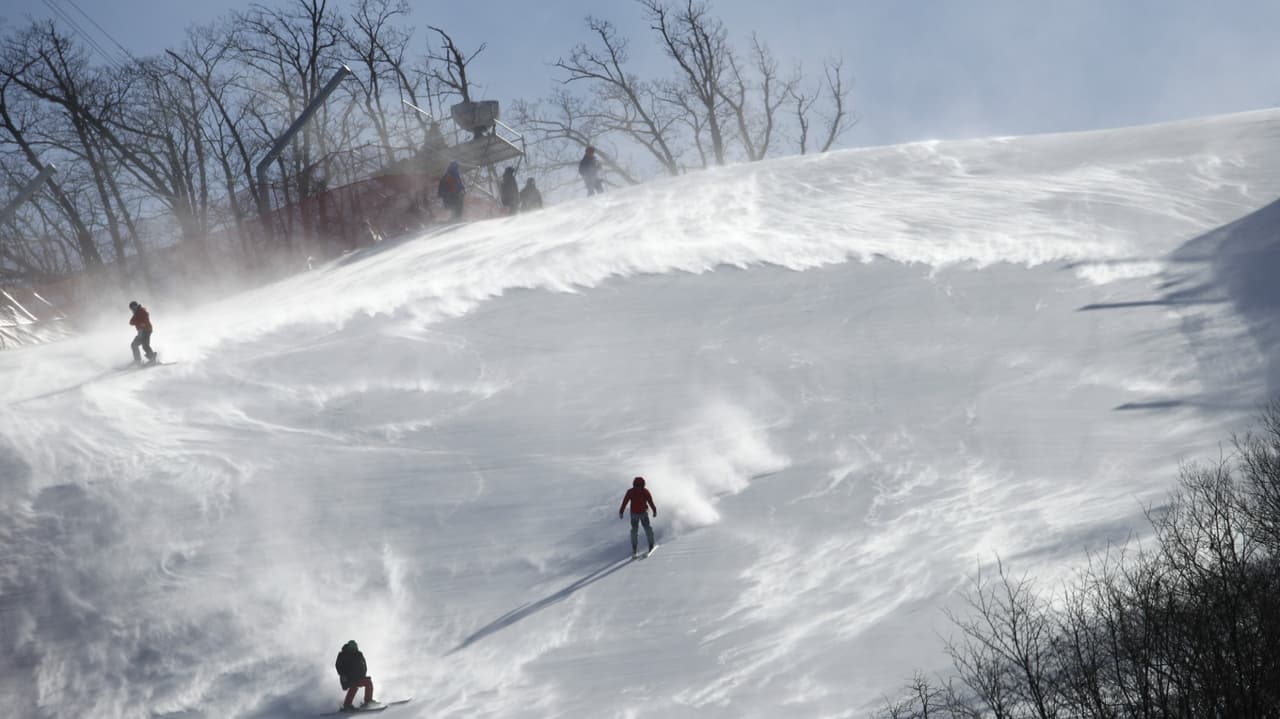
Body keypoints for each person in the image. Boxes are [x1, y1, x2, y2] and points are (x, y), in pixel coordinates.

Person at [618, 476, 657, 558]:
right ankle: (640, 547)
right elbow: (625, 502)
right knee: (642, 530)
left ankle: (647, 545)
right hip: (636, 514)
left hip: (640, 513)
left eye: (640, 486)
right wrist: (654, 510)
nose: (639, 488)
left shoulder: (634, 491)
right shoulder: (640, 491)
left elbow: (650, 501)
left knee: (639, 530)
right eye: (638, 486)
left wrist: (654, 510)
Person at [334, 640, 378, 711]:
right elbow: (338, 666)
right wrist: (343, 675)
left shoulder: (359, 654)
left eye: (355, 646)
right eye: (352, 647)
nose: (353, 648)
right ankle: (347, 705)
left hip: (358, 677)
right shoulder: (343, 654)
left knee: (368, 682)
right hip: (348, 678)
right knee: (353, 686)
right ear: (348, 647)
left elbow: (364, 665)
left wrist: (363, 674)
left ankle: (368, 701)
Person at [128, 300, 156, 364]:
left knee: (145, 345)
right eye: (131, 309)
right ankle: (137, 361)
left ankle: (152, 359)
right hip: (141, 332)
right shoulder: (136, 313)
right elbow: (131, 322)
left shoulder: (141, 311)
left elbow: (145, 317)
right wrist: (138, 322)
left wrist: (141, 323)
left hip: (146, 331)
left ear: (136, 306)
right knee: (134, 345)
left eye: (133, 308)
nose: (132, 310)